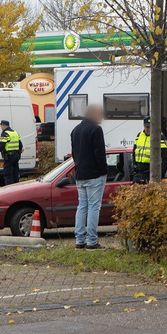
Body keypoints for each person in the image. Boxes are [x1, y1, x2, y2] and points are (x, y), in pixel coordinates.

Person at [71, 104, 107, 250]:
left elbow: (74, 154)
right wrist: (104, 171)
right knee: (94, 207)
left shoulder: (75, 130)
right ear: (93, 114)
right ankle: (92, 241)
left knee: (82, 207)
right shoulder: (96, 129)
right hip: (94, 175)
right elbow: (100, 153)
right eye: (100, 114)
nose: (102, 117)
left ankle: (79, 240)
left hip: (80, 174)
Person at [132, 117, 167, 183]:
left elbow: (165, 159)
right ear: (144, 126)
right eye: (147, 127)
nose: (149, 129)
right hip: (139, 173)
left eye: (151, 127)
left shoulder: (160, 138)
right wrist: (135, 167)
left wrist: (160, 175)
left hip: (151, 174)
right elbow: (134, 153)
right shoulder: (139, 136)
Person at [0, 119, 23, 185]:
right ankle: (16, 191)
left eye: (1, 126)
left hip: (9, 157)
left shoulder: (5, 134)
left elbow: (1, 147)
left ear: (3, 126)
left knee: (8, 175)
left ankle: (9, 191)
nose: (1, 127)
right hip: (16, 156)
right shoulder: (15, 133)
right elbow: (20, 145)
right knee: (15, 175)